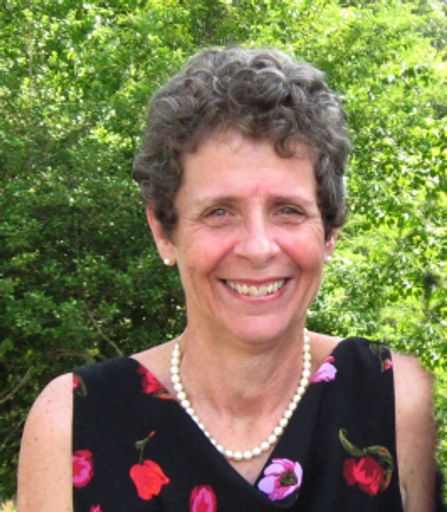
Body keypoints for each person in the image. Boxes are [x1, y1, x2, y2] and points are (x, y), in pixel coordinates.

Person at [17, 47, 442, 512]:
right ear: (164, 231)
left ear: (329, 231)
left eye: (288, 210)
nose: (258, 248)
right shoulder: (73, 423)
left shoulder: (397, 401)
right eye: (219, 212)